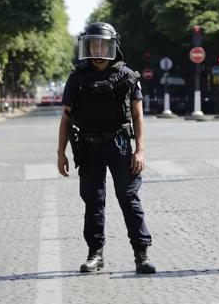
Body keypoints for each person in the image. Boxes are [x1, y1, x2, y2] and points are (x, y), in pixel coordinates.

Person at [56, 22, 156, 274]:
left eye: (102, 44)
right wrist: (61, 152)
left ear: (113, 46)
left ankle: (141, 255)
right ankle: (95, 254)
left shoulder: (128, 76)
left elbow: (138, 115)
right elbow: (66, 118)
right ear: (87, 46)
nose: (98, 49)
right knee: (93, 202)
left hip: (120, 146)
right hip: (88, 147)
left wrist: (140, 149)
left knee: (129, 199)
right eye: (93, 44)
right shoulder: (77, 78)